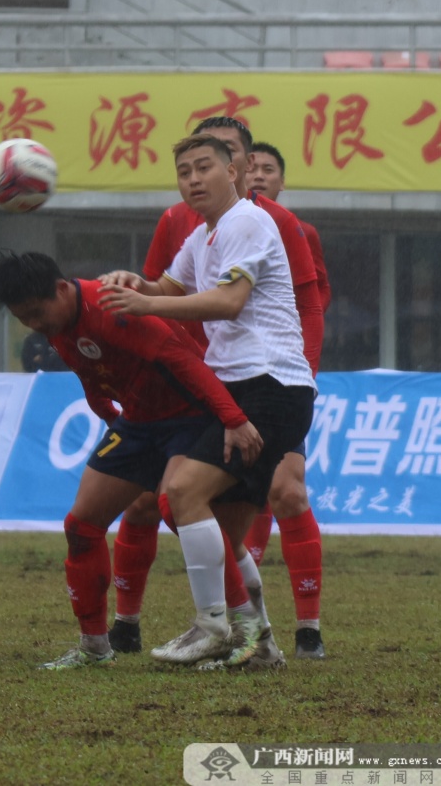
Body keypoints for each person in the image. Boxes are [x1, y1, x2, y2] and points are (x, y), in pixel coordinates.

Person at [108, 119, 327, 663]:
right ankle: (262, 643)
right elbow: (169, 285)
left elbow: (228, 302)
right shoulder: (203, 233)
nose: (193, 180)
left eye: (205, 167)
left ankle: (211, 627)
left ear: (235, 171)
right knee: (222, 534)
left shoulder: (247, 221)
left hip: (268, 385)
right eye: (184, 173)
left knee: (180, 492)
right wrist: (135, 284)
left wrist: (148, 306)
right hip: (243, 386)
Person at [0, 251, 262, 670]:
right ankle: (95, 648)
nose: (35, 325)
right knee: (81, 525)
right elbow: (91, 372)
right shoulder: (60, 321)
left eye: (37, 313)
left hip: (190, 417)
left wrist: (233, 419)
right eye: (24, 318)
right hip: (139, 423)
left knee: (178, 507)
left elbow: (182, 360)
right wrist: (109, 416)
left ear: (62, 289)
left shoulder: (113, 307)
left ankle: (246, 631)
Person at [242, 140, 331, 659]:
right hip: (224, 379)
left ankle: (309, 630)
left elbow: (314, 305)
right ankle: (248, 626)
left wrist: (304, 373)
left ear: (281, 181)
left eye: (266, 169)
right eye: (249, 167)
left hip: (282, 381)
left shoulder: (298, 231)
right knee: (238, 497)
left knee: (287, 491)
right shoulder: (200, 227)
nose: (256, 175)